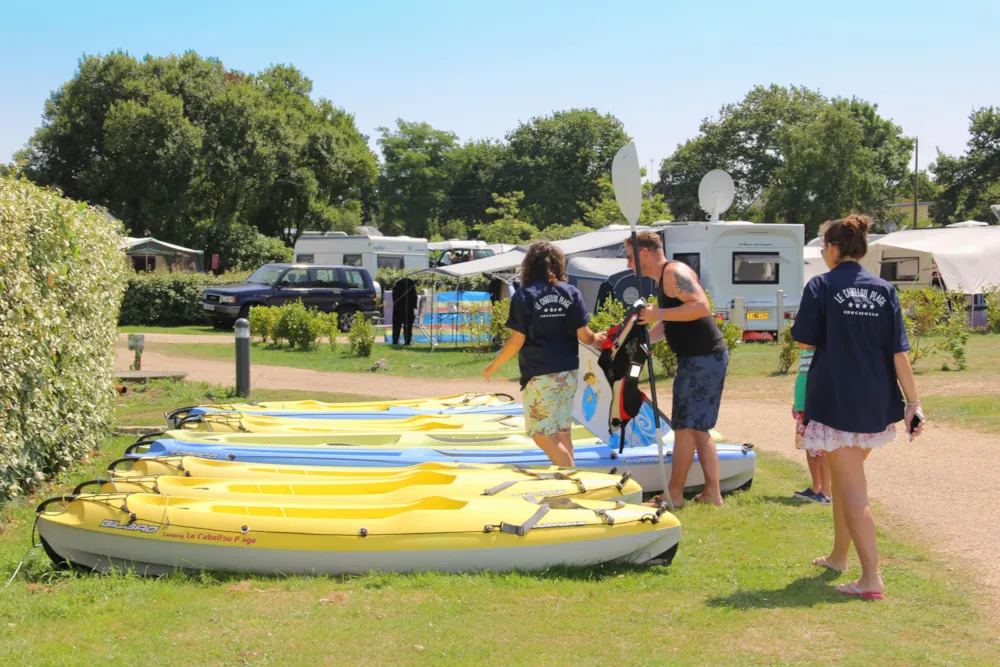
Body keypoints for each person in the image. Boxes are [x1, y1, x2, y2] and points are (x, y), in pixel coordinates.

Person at [792, 214, 925, 600]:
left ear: (833, 249)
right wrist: (913, 403)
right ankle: (838, 557)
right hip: (875, 401)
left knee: (852, 490)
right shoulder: (884, 291)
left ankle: (871, 578)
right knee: (843, 476)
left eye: (824, 247)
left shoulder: (821, 285)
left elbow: (804, 342)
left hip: (836, 400)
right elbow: (899, 353)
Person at [625, 231, 728, 508]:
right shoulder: (665, 279)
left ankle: (674, 495)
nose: (628, 264)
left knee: (685, 426)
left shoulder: (674, 272)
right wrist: (643, 340)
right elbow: (671, 323)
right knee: (697, 428)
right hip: (702, 357)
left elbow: (701, 308)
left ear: (644, 252)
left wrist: (658, 313)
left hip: (702, 358)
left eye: (630, 256)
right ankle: (712, 493)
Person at [482, 242, 606, 466]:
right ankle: (569, 480)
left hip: (540, 374)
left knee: (540, 433)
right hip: (568, 371)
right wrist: (599, 337)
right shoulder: (571, 293)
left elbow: (516, 341)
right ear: (559, 265)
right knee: (561, 430)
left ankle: (571, 477)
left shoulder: (525, 296)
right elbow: (586, 337)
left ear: (529, 265)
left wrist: (494, 365)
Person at [791, 348, 832, 504]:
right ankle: (816, 487)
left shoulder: (823, 350)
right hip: (803, 406)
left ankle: (826, 492)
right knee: (808, 447)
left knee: (821, 450)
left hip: (818, 407)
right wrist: (797, 402)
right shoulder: (805, 351)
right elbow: (802, 380)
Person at [391, 277, 419, 346]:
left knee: (396, 326)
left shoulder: (398, 285)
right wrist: (414, 306)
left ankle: (395, 341)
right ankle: (407, 342)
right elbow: (415, 297)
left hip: (398, 309)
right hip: (408, 309)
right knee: (408, 327)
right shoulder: (411, 286)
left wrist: (396, 303)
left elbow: (394, 296)